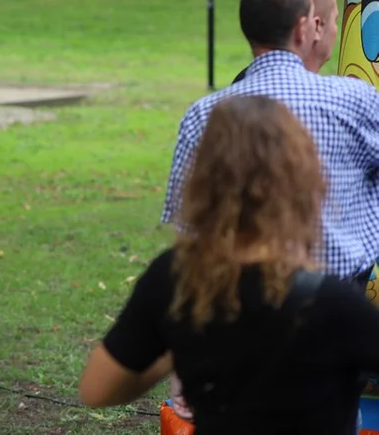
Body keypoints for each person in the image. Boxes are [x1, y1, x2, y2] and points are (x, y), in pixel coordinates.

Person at [81, 95, 379, 434]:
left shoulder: (177, 279)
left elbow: (96, 389)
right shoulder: (335, 303)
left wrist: (172, 352)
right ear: (305, 181)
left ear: (202, 180)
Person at [162, 0, 379, 423]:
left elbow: (191, 234)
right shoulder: (356, 100)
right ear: (307, 26)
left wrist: (183, 363)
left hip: (235, 309)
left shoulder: (204, 114)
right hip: (337, 309)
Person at [231, 0, 338, 82]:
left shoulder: (241, 84)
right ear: (315, 27)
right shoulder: (339, 94)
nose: (336, 30)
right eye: (335, 20)